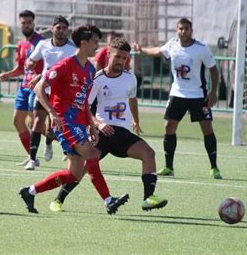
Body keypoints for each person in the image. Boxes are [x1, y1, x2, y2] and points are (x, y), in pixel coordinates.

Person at [19, 24, 129, 215]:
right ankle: (109, 201)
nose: (98, 45)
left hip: (78, 123)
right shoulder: (65, 65)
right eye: (95, 41)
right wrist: (53, 114)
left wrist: (92, 125)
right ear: (84, 43)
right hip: (64, 121)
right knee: (92, 155)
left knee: (74, 174)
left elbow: (85, 101)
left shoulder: (90, 70)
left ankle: (30, 192)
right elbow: (39, 88)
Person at [49, 37, 168, 212]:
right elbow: (84, 107)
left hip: (122, 133)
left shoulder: (130, 78)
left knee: (148, 153)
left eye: (124, 58)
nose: (121, 61)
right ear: (108, 55)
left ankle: (148, 198)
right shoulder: (96, 79)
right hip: (102, 132)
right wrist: (98, 124)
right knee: (81, 169)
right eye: (117, 56)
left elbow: (132, 98)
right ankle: (58, 200)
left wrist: (136, 120)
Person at [133, 18, 222, 179]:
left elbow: (214, 71)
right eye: (181, 28)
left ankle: (214, 167)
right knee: (169, 126)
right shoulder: (172, 44)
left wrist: (213, 92)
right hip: (177, 93)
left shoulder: (201, 48)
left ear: (191, 31)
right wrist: (141, 50)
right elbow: (158, 52)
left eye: (187, 29)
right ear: (177, 30)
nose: (183, 32)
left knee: (207, 128)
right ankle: (169, 166)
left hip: (198, 95)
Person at [21, 15, 76, 170]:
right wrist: (31, 64)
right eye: (58, 27)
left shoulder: (72, 49)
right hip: (44, 90)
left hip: (61, 93)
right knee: (37, 122)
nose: (61, 31)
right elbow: (31, 60)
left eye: (64, 28)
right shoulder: (43, 44)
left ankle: (48, 141)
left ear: (67, 31)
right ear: (52, 29)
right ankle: (32, 159)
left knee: (53, 128)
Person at [0, 10, 43, 159]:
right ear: (20, 24)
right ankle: (32, 157)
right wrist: (7, 75)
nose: (26, 25)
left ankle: (67, 145)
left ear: (33, 23)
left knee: (37, 126)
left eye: (29, 22)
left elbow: (49, 67)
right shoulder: (21, 45)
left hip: (36, 88)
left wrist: (39, 78)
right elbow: (20, 68)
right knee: (17, 120)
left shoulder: (41, 43)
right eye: (23, 23)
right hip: (24, 88)